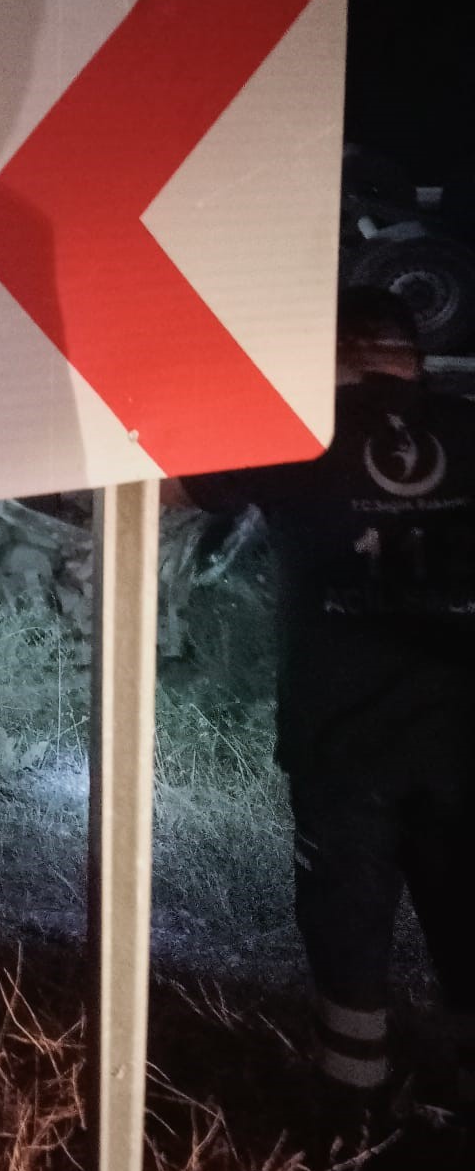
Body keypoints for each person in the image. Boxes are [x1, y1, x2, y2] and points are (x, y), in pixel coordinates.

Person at [184, 287, 475, 1113]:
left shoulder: (289, 432)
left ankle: (353, 1123)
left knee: (348, 928)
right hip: (463, 739)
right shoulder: (469, 426)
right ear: (416, 355)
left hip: (344, 741)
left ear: (331, 353)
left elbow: (174, 487)